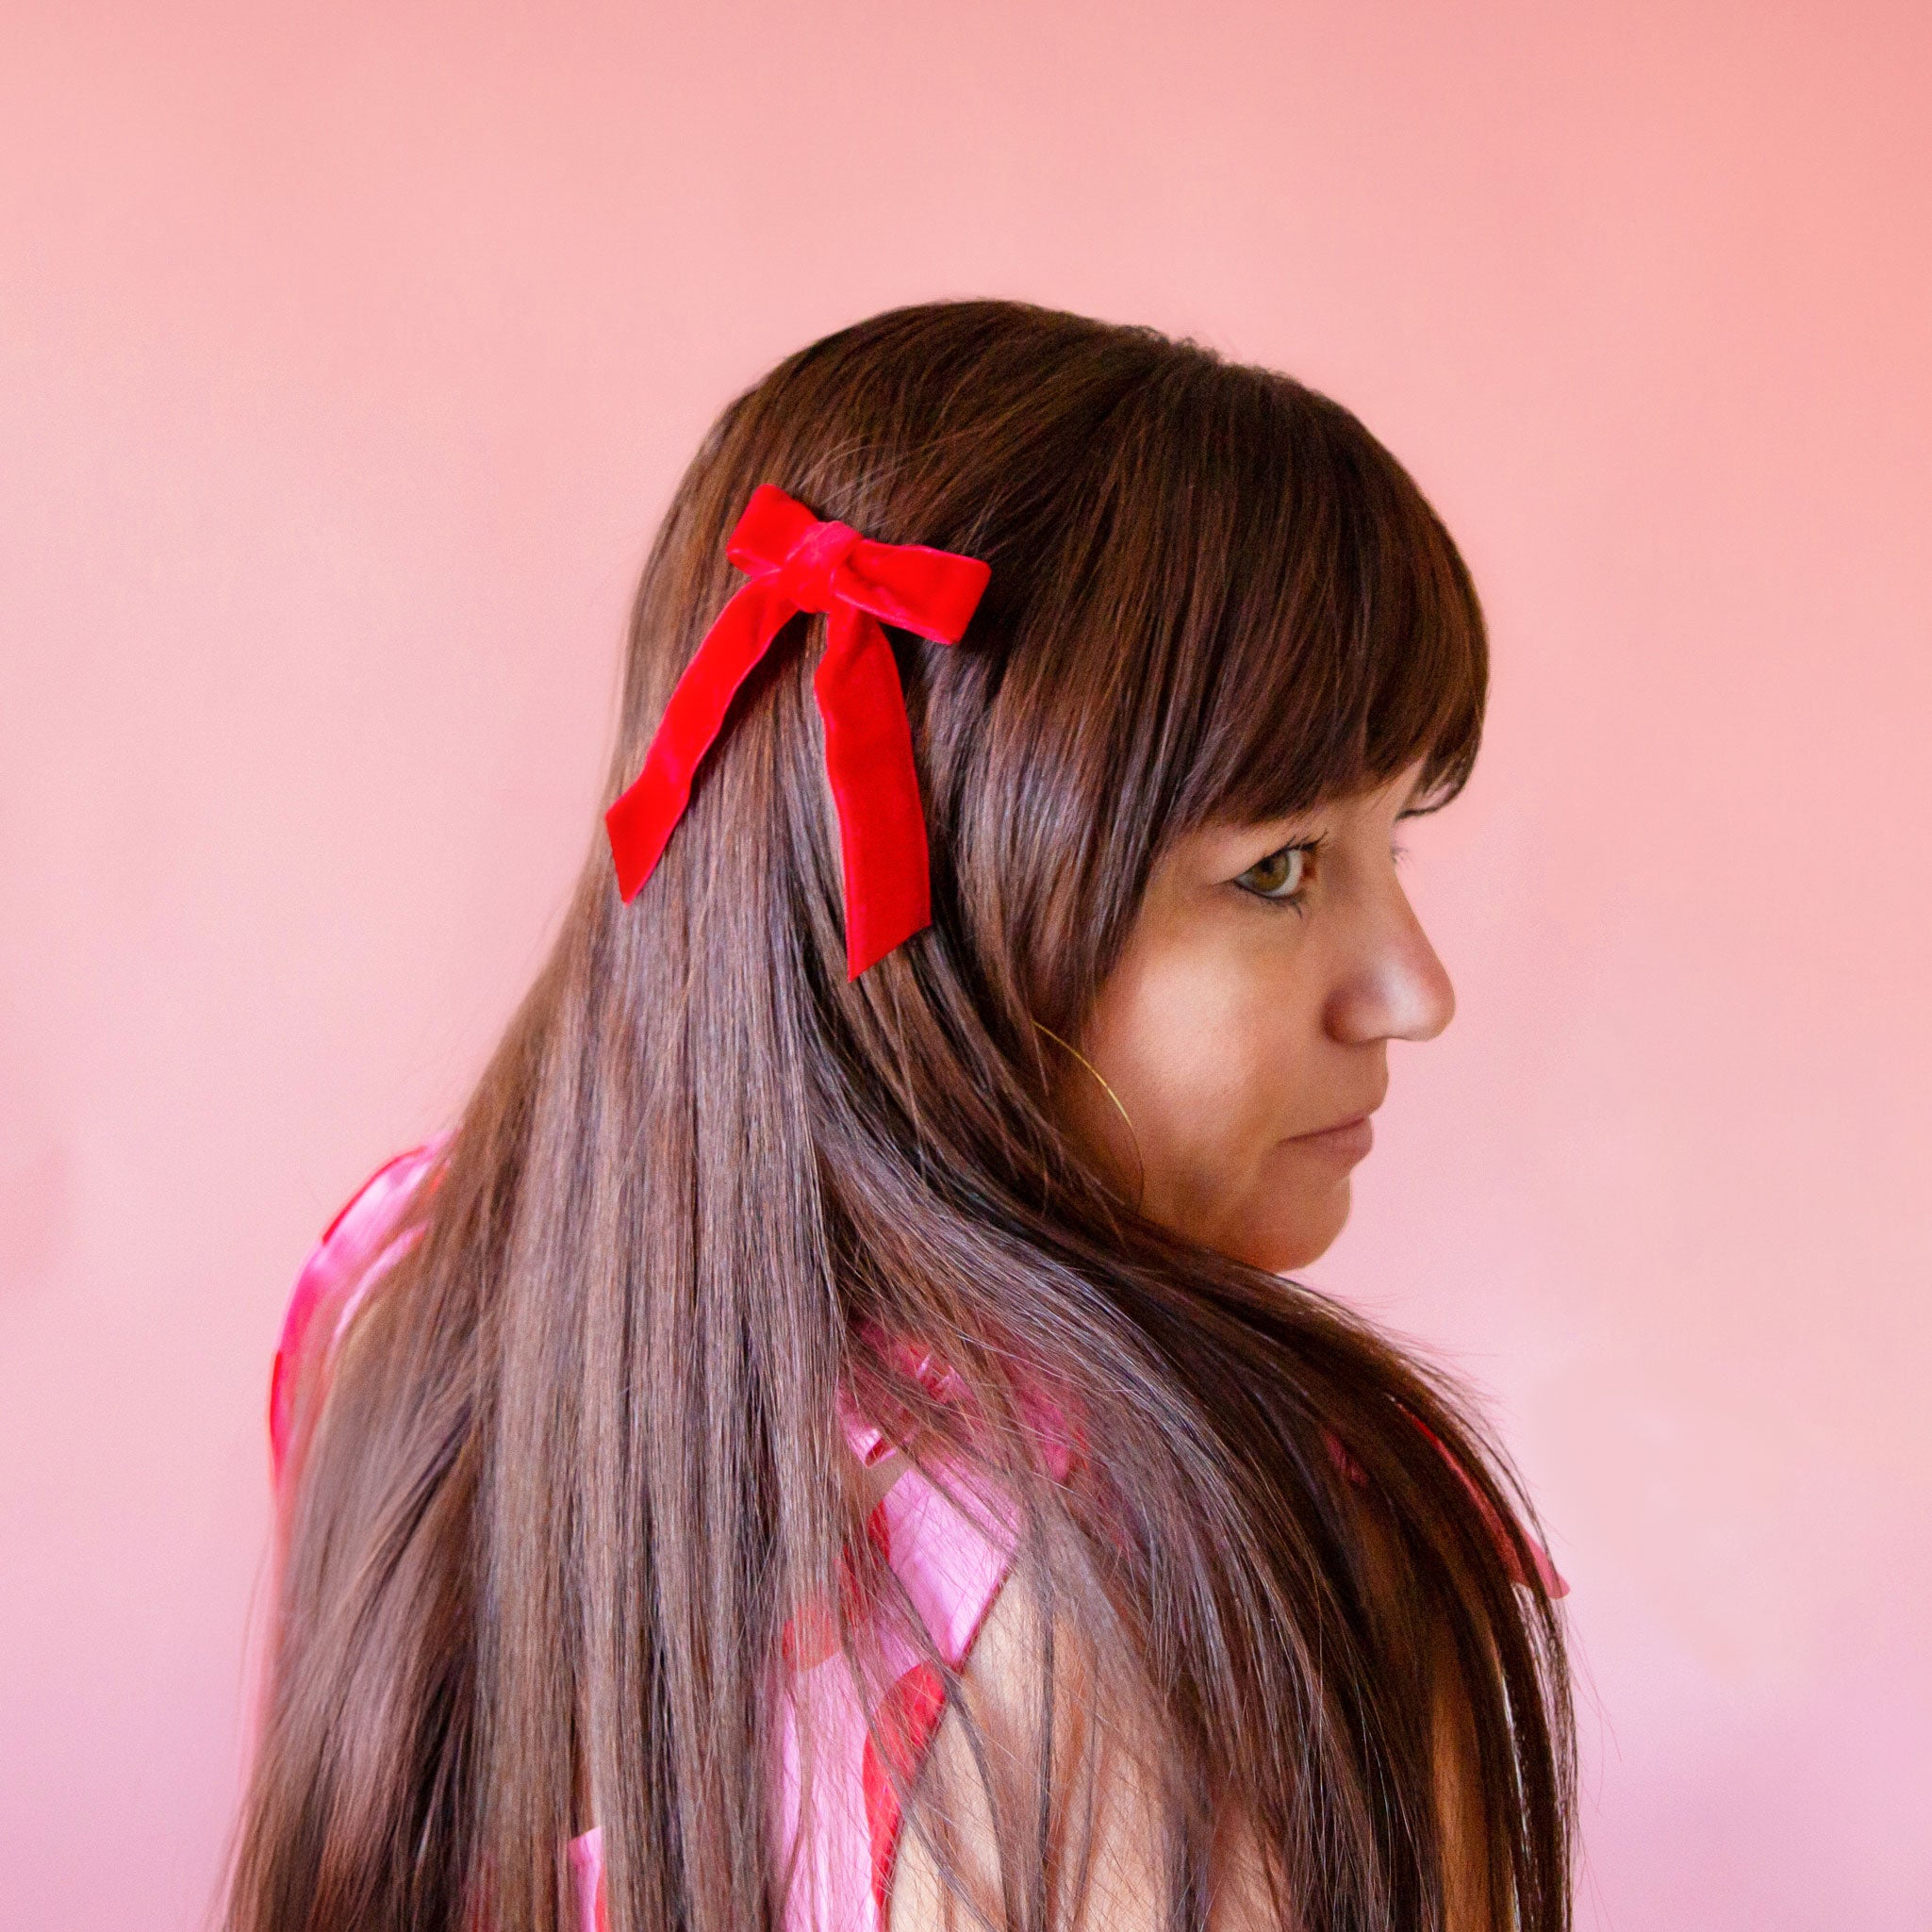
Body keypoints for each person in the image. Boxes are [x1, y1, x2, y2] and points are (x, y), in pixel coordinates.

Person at [230, 300, 1574, 1932]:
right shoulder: (1212, 1576)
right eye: (1275, 871)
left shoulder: (406, 1292)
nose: (1410, 988)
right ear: (941, 903)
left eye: (1393, 843)